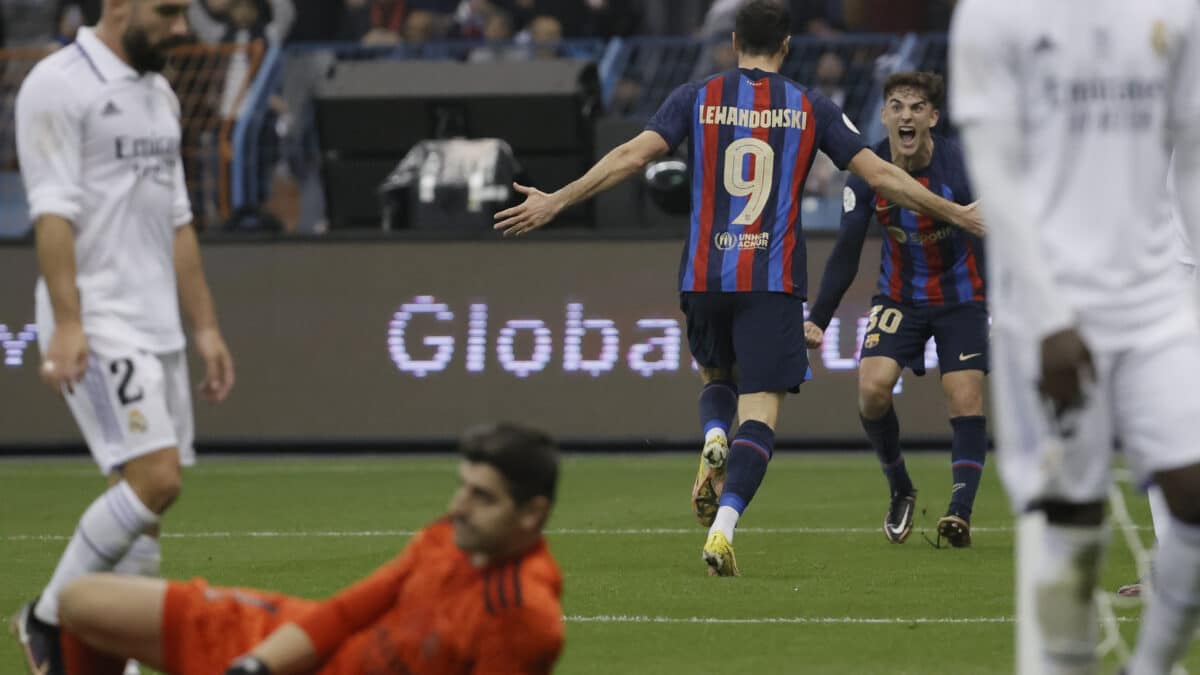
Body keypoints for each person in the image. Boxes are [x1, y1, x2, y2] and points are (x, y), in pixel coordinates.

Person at [494, 0, 982, 576]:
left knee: (715, 380)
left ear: (731, 42)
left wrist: (558, 199)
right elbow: (880, 176)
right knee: (763, 410)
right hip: (770, 283)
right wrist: (957, 211)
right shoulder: (810, 104)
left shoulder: (695, 96)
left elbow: (630, 156)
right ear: (787, 47)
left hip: (703, 277)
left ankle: (713, 432)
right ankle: (723, 531)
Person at [951, 0, 1200, 672]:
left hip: (1157, 296)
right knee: (1070, 529)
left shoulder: (1177, 13)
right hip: (1050, 301)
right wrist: (1050, 314)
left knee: (1194, 487)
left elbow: (1192, 156)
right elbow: (994, 173)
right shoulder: (993, 16)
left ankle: (1147, 666)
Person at [10, 2, 236, 674]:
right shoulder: (58, 83)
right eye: (167, 12)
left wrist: (206, 326)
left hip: (156, 319)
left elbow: (177, 220)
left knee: (142, 508)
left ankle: (120, 657)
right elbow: (52, 211)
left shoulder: (159, 91)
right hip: (99, 316)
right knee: (156, 479)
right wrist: (70, 320)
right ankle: (48, 617)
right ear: (118, 6)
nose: (180, 28)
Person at [54, 423, 564, 675]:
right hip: (301, 647)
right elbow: (345, 611)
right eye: (462, 487)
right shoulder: (444, 540)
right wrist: (255, 668)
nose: (459, 507)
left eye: (482, 497)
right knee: (80, 602)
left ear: (531, 514)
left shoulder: (523, 614)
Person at [805, 71, 987, 548]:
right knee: (871, 390)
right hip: (900, 298)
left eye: (916, 107)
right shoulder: (868, 172)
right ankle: (900, 486)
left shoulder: (961, 166)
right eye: (896, 106)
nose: (906, 115)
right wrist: (818, 318)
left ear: (933, 117)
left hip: (960, 297)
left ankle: (959, 513)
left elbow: (985, 236)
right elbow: (846, 250)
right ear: (884, 115)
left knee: (965, 396)